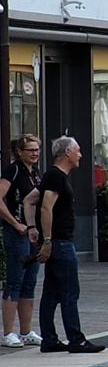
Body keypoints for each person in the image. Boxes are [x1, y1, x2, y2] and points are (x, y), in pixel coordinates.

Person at [29, 138, 103, 353]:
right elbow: (45, 207)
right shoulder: (55, 176)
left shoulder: (54, 176)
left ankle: (49, 339)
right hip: (60, 242)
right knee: (69, 291)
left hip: (58, 241)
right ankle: (76, 339)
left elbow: (29, 199)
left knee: (52, 292)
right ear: (67, 152)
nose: (80, 155)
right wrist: (48, 239)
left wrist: (33, 229)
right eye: (78, 151)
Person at [0, 135, 42, 346]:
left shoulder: (35, 173)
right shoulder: (13, 170)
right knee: (15, 281)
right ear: (20, 151)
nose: (34, 153)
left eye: (36, 150)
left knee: (30, 282)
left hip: (34, 233)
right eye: (30, 150)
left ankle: (26, 330)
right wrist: (15, 223)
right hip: (17, 232)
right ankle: (8, 332)